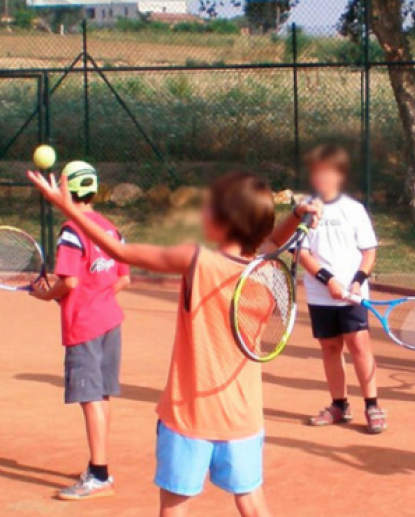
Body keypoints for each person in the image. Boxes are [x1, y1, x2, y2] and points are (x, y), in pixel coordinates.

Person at [27, 168, 319, 517]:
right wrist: (297, 215)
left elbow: (120, 251)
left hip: (188, 415)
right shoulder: (266, 270)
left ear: (222, 221)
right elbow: (272, 240)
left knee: (174, 506)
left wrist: (70, 210)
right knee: (253, 503)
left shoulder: (197, 260)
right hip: (243, 417)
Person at [29, 161, 131, 501]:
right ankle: (98, 463)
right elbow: (123, 278)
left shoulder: (72, 230)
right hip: (110, 321)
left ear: (67, 190)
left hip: (85, 325)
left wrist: (45, 295)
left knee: (89, 398)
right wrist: (97, 296)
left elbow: (69, 281)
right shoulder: (111, 229)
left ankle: (99, 474)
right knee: (101, 395)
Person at [296, 145, 384, 434]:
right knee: (330, 347)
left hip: (354, 295)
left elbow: (368, 253)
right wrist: (328, 280)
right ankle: (339, 405)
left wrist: (357, 282)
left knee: (359, 344)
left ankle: (372, 405)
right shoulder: (308, 209)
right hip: (321, 295)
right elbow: (303, 253)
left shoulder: (354, 210)